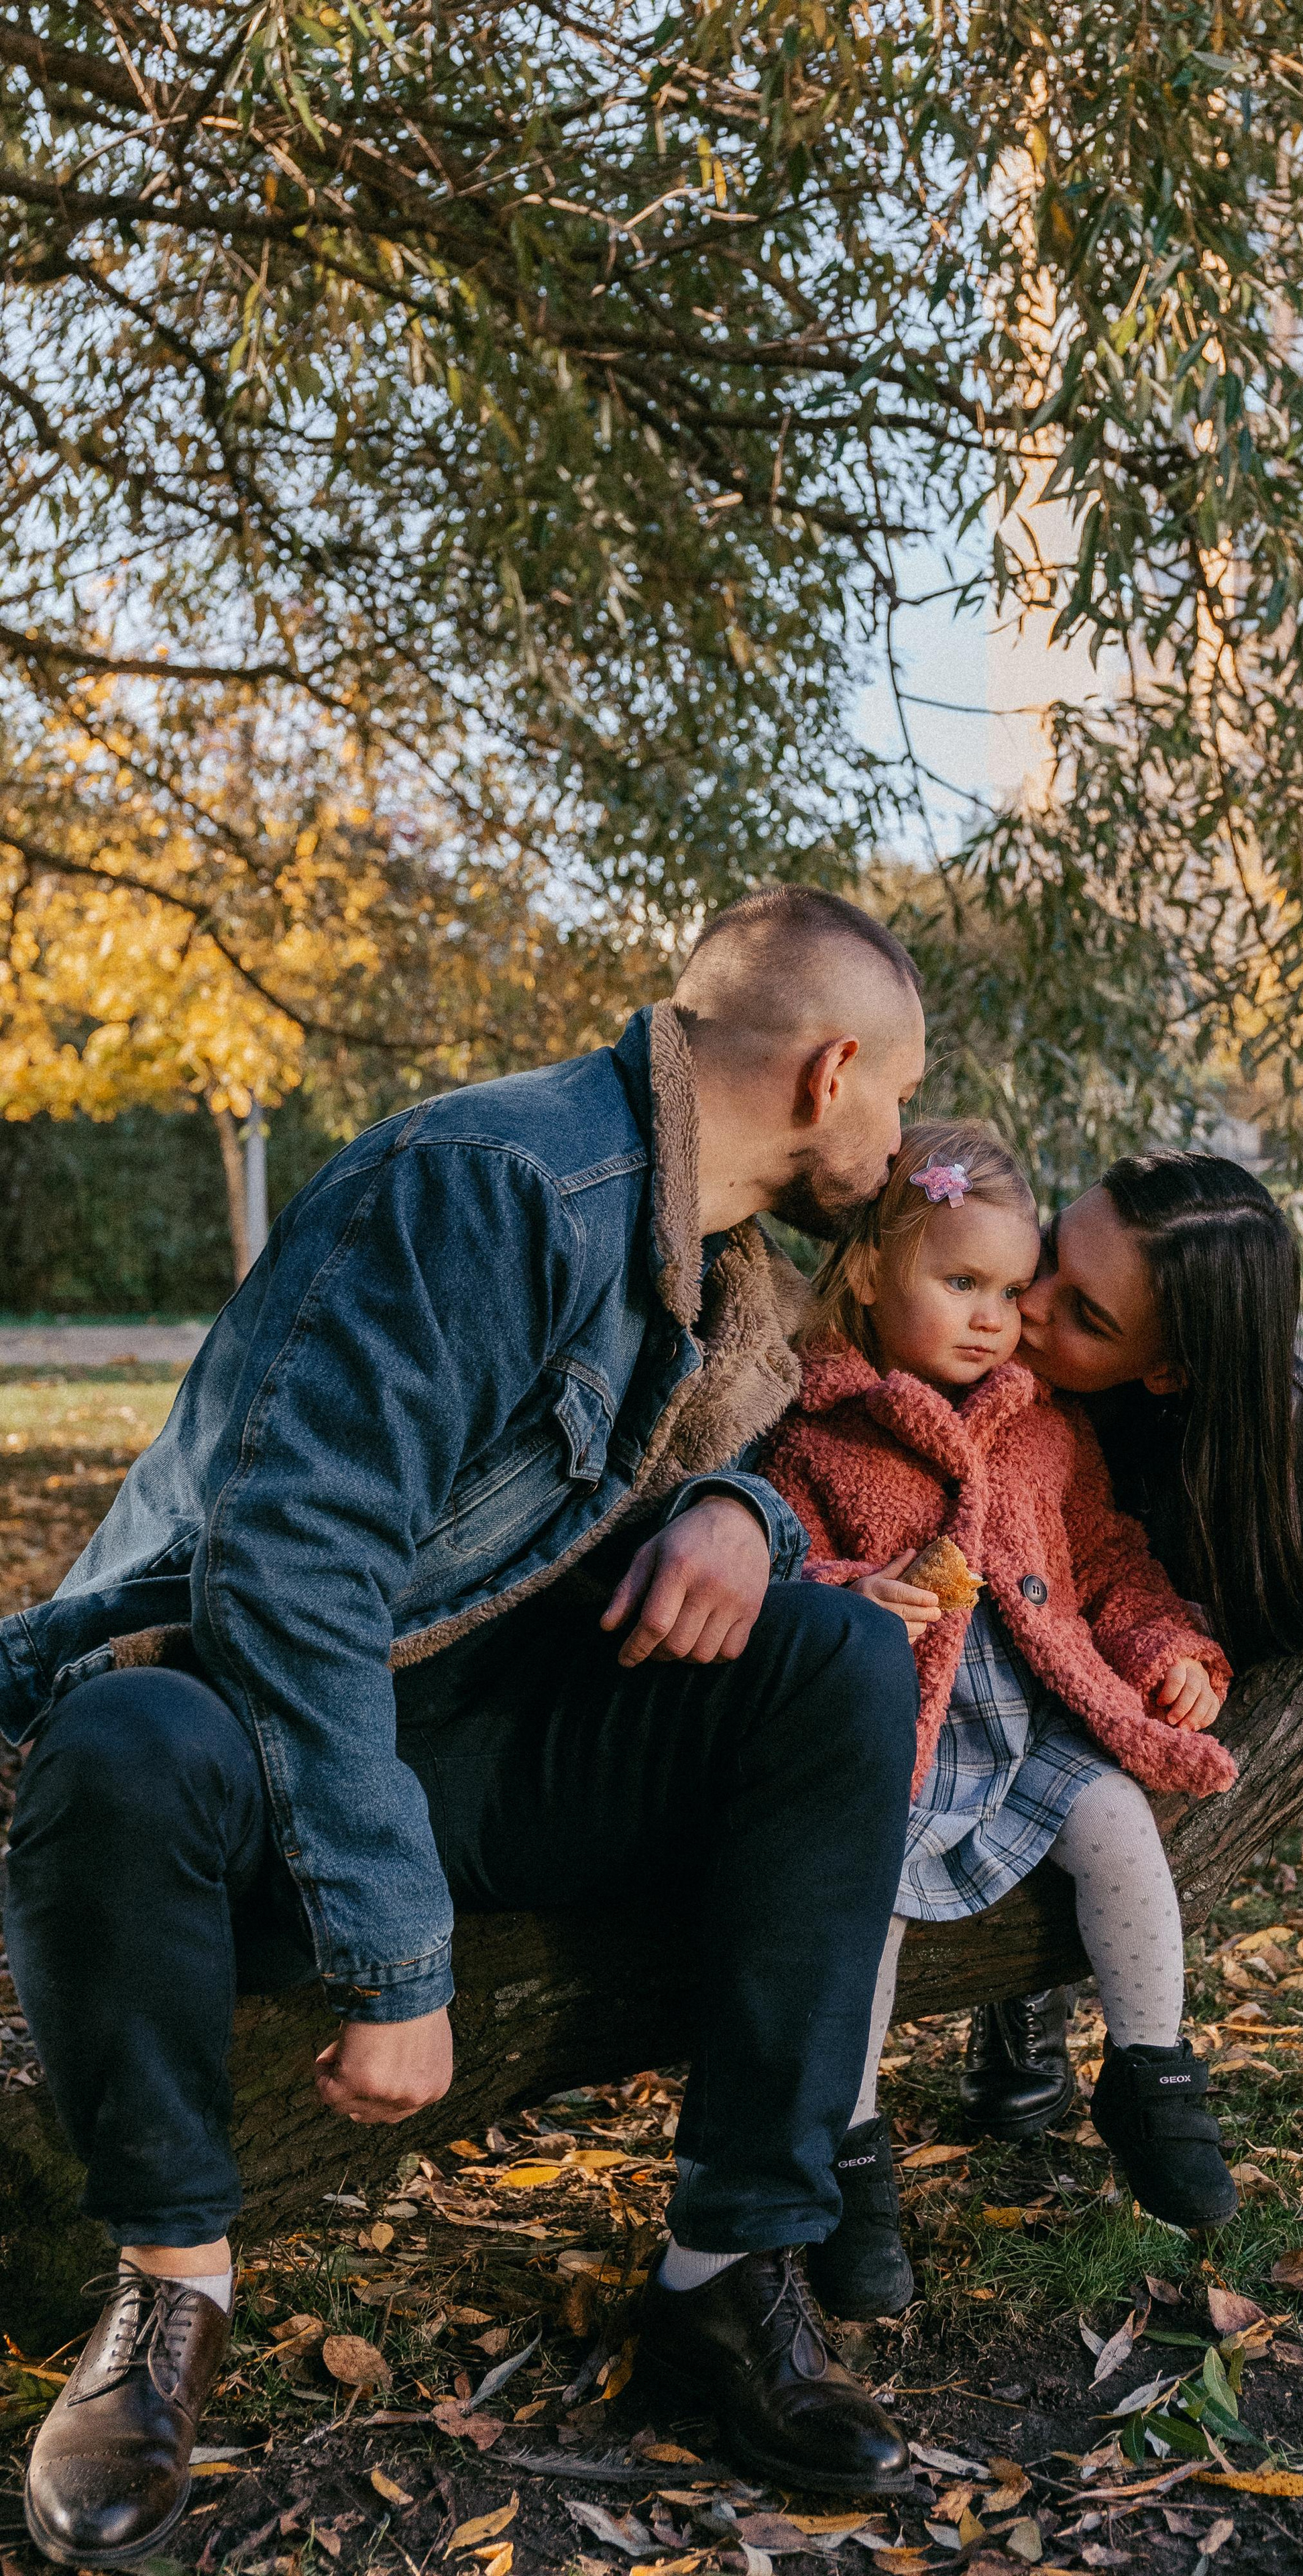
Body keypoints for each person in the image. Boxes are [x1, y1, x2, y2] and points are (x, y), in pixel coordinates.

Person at [0, 888, 933, 2567]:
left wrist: (745, 1522)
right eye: (900, 1092)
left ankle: (727, 2278)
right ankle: (167, 2297)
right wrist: (394, 1953)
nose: (901, 1132)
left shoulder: (731, 1278)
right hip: (260, 1731)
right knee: (119, 1747)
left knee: (839, 1668)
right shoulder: (494, 1182)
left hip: (500, 1731)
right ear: (830, 1070)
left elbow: (763, 1487)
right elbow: (287, 1575)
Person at [756, 1121, 1239, 2322]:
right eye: (961, 1283)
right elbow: (768, 1576)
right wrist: (848, 1597)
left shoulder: (1042, 1428)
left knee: (1122, 1820)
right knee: (853, 1915)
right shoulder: (817, 1432)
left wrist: (1170, 1647)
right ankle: (851, 2153)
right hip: (896, 1748)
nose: (996, 1318)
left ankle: (1151, 2070)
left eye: (1013, 1290)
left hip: (1029, 1722)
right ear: (872, 1274)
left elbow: (1111, 1563)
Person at [958, 1148, 1303, 2142]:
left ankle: (1102, 2033)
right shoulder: (980, 1340)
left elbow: (1257, 1609)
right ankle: (1022, 2008)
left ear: (1166, 1367)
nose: (1027, 1307)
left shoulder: (1272, 1437)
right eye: (1045, 1258)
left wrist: (1183, 1659)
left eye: (1084, 1314)